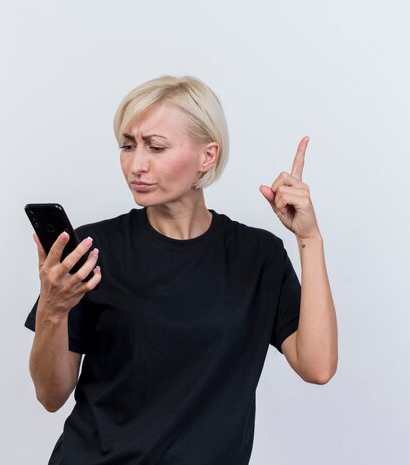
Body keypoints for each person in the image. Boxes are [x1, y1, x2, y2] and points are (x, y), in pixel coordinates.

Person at [24, 75, 338, 465]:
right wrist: (53, 309)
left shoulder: (258, 256)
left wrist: (310, 240)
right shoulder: (91, 251)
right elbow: (51, 396)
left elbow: (318, 366)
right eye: (127, 145)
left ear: (207, 156)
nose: (136, 164)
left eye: (156, 147)